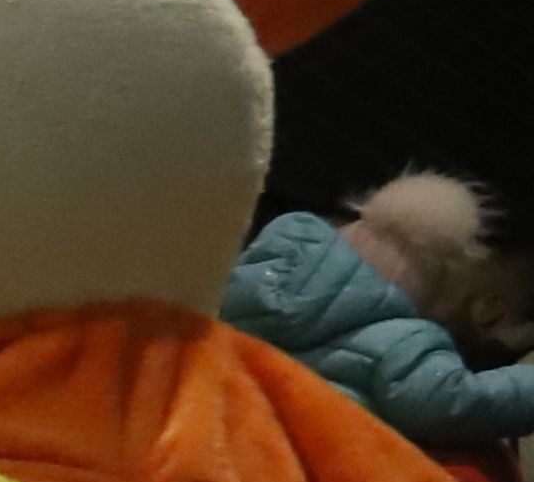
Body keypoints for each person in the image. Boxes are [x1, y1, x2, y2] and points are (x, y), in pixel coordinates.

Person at [225, 170, 534, 453]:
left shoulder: (269, 260)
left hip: (214, 413)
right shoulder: (403, 338)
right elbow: (453, 404)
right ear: (488, 310)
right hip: (283, 454)